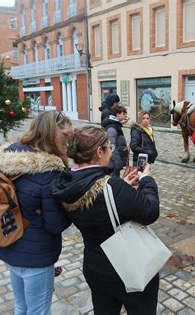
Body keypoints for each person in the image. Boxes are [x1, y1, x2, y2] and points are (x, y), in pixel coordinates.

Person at [50, 126, 160, 315]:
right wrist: (147, 180)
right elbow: (150, 212)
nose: (112, 151)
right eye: (109, 147)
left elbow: (96, 197)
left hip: (95, 266)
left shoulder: (66, 183)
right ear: (99, 152)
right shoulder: (113, 187)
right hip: (127, 269)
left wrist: (122, 186)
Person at [0, 111, 72, 315]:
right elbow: (54, 224)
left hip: (9, 243)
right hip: (37, 256)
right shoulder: (49, 172)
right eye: (66, 133)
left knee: (21, 306)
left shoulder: (9, 160)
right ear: (54, 134)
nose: (69, 138)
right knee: (38, 311)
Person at [102, 104, 129, 177]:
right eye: (123, 114)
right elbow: (111, 146)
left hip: (115, 163)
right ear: (117, 114)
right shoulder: (112, 128)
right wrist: (118, 162)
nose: (125, 116)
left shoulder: (116, 125)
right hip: (113, 164)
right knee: (113, 181)